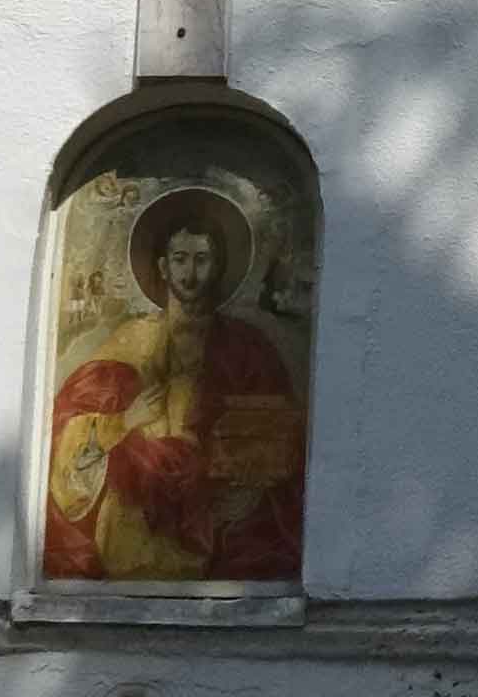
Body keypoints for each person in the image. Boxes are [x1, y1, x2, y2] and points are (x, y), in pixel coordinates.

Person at [40, 190, 307, 581]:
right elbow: (66, 436)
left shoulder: (248, 349)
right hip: (130, 527)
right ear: (163, 267)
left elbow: (285, 447)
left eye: (202, 260)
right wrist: (123, 421)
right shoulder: (129, 342)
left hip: (220, 532)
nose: (190, 273)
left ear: (218, 266)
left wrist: (252, 494)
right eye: (180, 260)